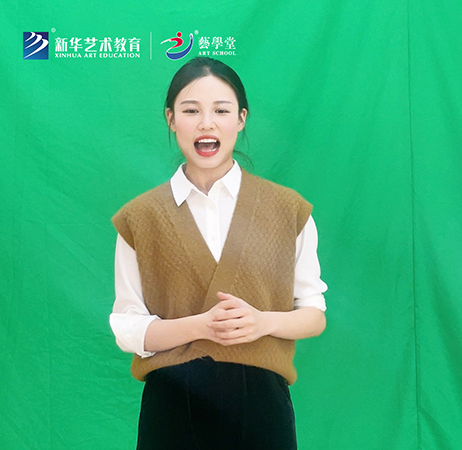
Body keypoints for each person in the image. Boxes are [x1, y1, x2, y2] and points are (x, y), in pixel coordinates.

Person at [109, 57, 327, 450]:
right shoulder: (140, 218)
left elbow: (313, 314)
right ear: (171, 119)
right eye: (191, 110)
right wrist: (202, 327)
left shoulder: (288, 210)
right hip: (171, 409)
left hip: (262, 409)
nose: (206, 123)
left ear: (241, 119)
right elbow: (128, 327)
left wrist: (261, 322)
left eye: (221, 111)